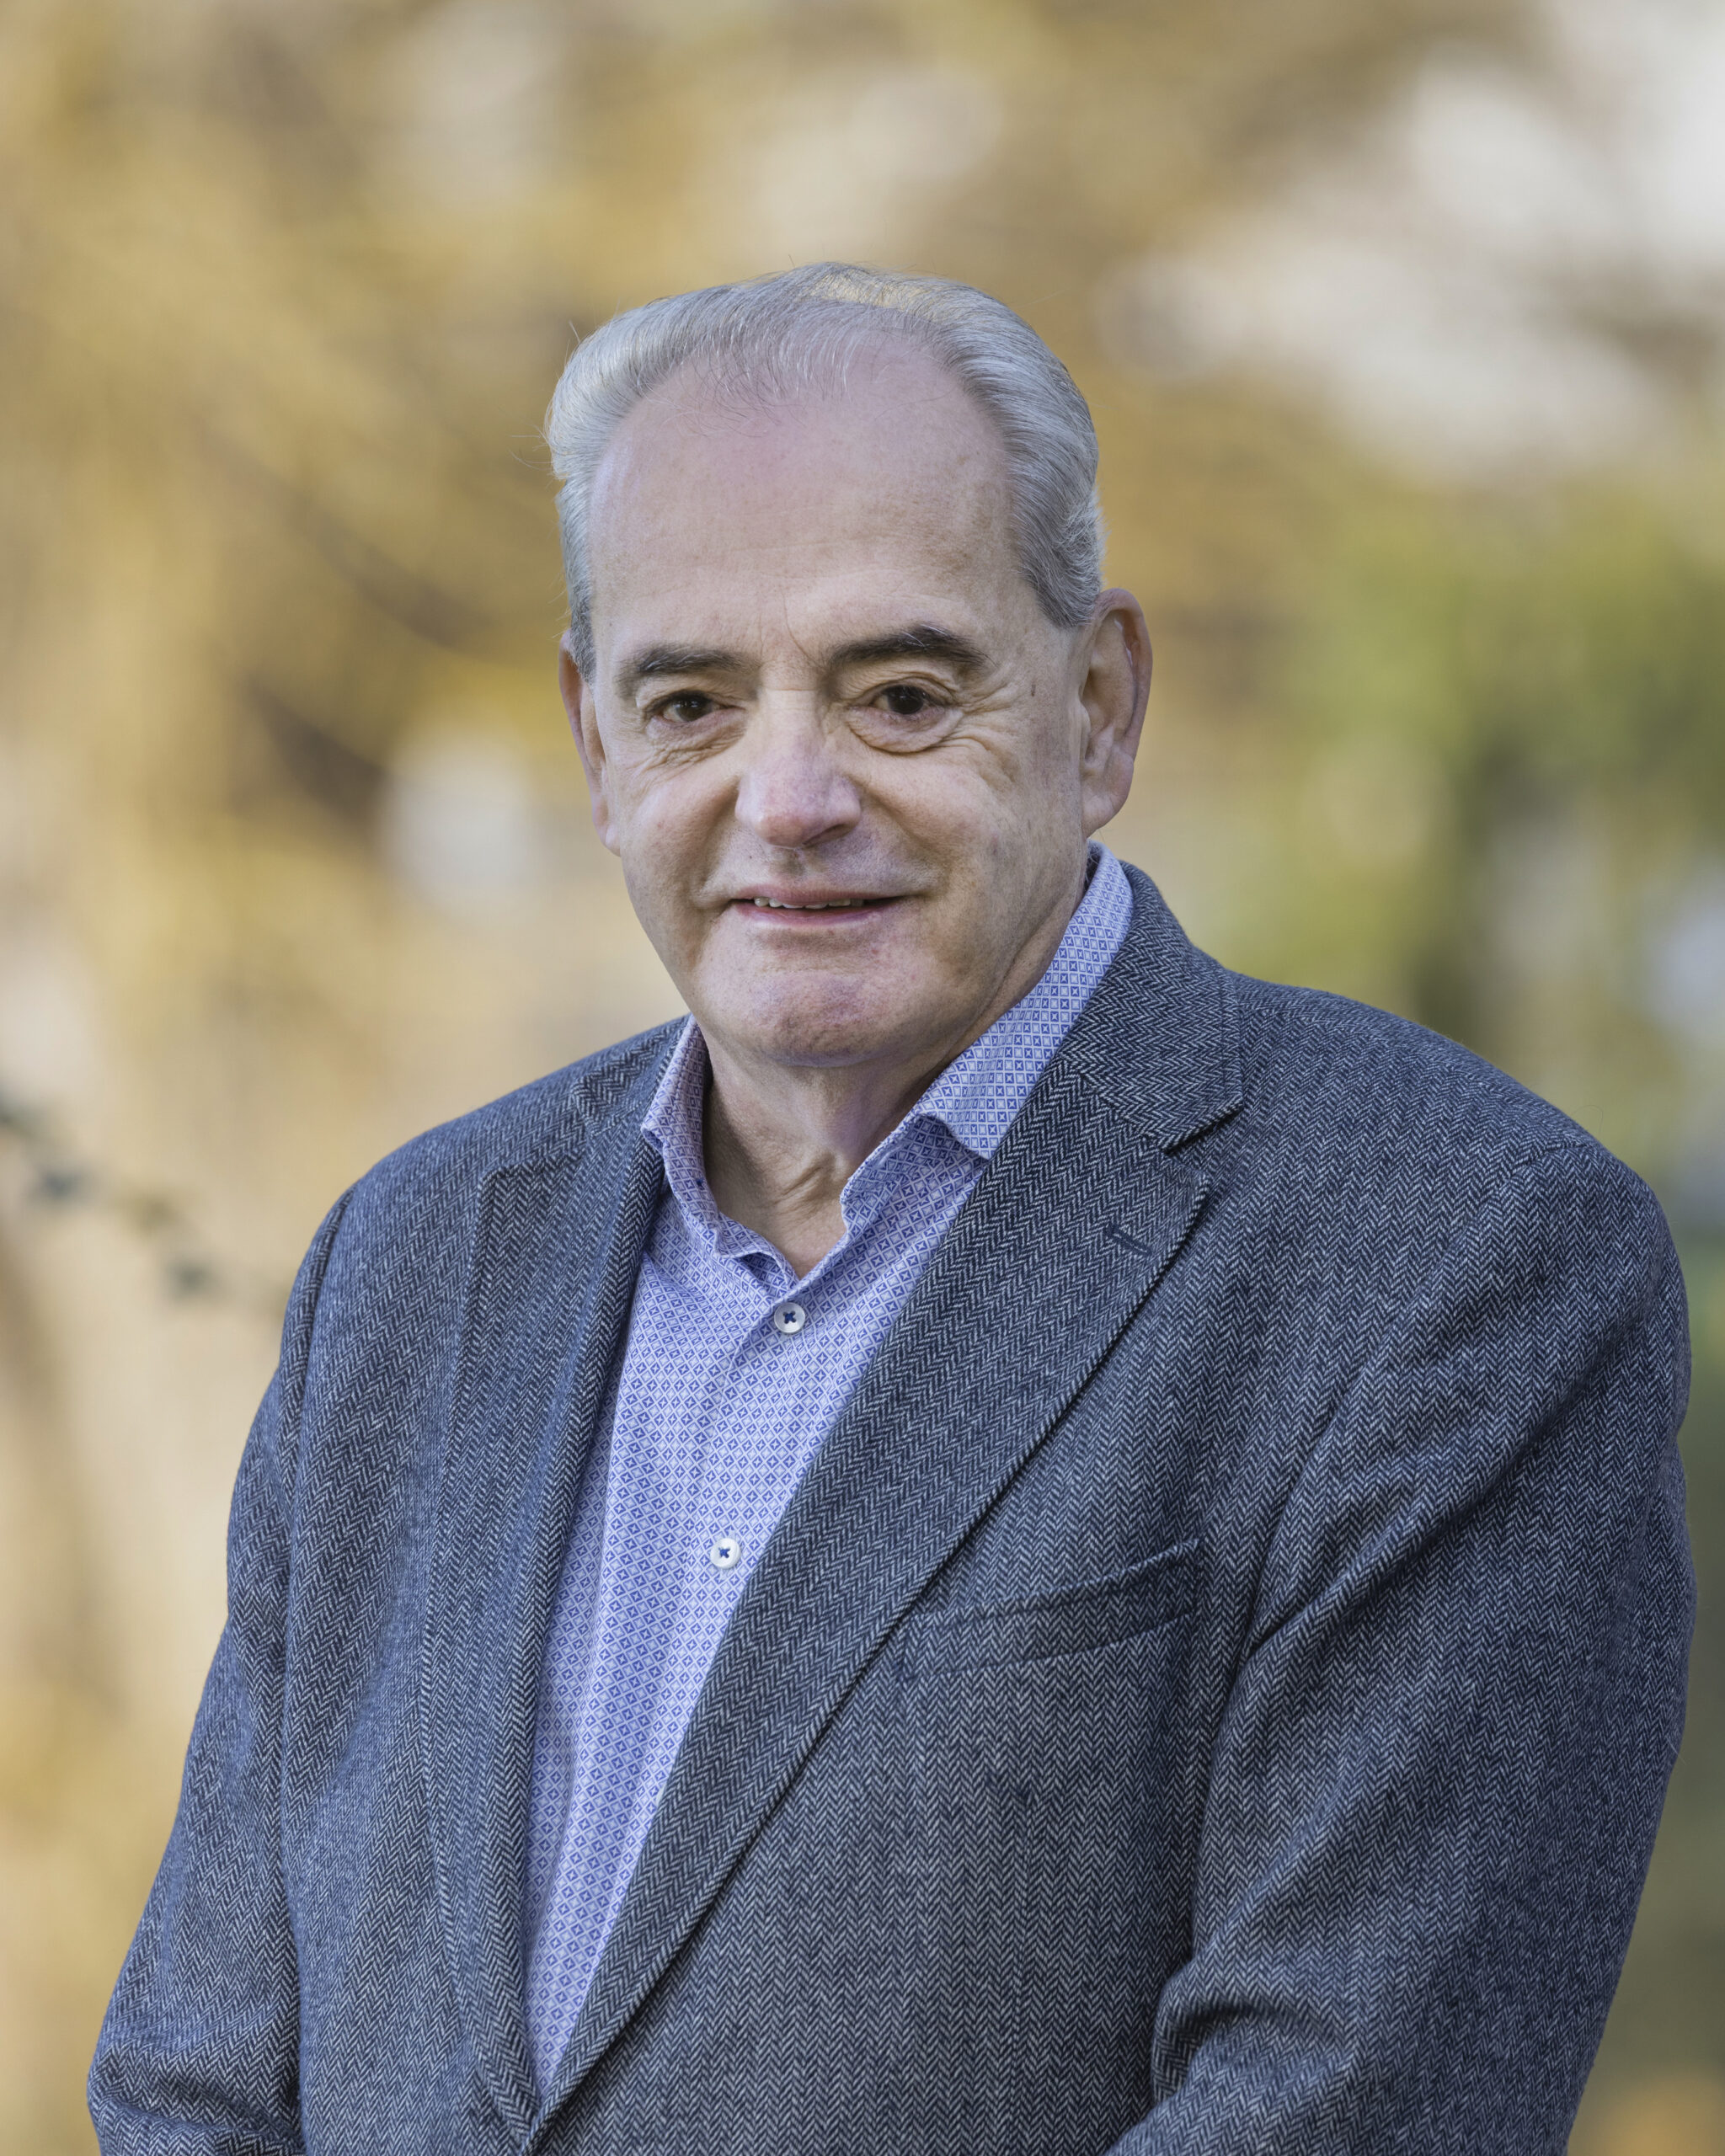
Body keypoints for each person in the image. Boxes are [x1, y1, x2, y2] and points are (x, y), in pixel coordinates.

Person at [90, 264, 1692, 2154]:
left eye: (901, 692)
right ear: (595, 745)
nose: (788, 796)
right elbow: (199, 2081)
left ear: (1098, 705)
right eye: (689, 699)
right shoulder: (411, 1260)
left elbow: (1336, 2111)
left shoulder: (1457, 1261)